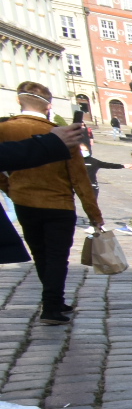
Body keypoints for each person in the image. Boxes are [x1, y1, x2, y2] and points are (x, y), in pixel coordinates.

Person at [0, 82, 103, 329]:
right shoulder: (60, 133)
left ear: (18, 101)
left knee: (40, 253)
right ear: (49, 105)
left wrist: (10, 188)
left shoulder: (4, 129)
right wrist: (93, 213)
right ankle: (52, 305)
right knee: (58, 255)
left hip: (25, 201)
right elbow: (79, 176)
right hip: (57, 202)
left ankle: (55, 300)